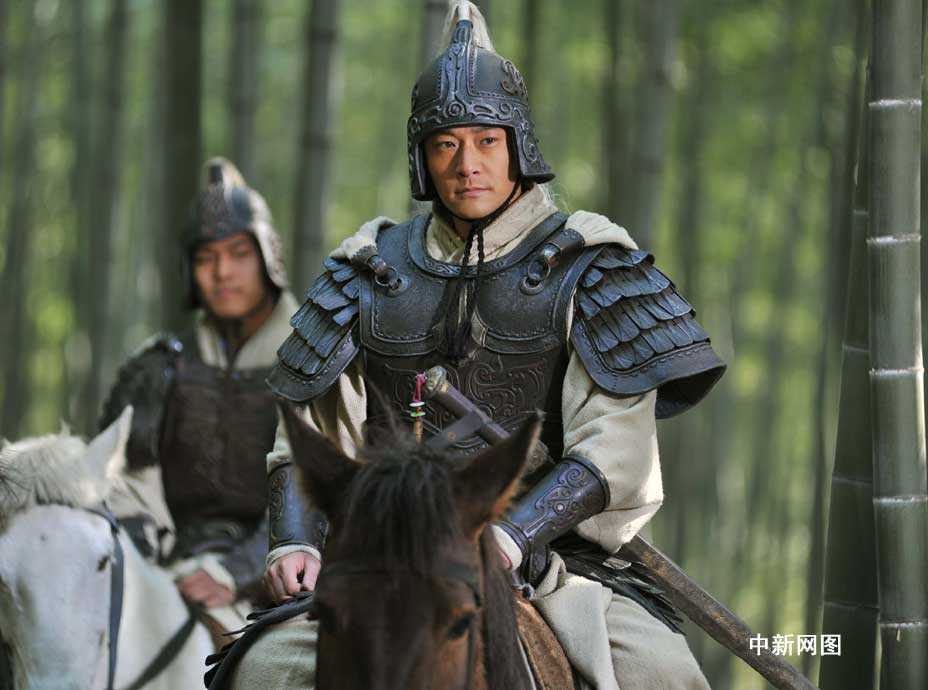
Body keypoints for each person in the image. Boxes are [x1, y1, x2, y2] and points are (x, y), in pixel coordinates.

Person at [237, 3, 724, 688]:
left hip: (552, 567)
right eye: (446, 145)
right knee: (259, 672)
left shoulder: (588, 265)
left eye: (487, 141)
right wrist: (293, 541)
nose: (467, 165)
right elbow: (309, 439)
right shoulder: (366, 271)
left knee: (665, 675)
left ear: (517, 145)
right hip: (381, 567)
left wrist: (510, 534)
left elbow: (614, 450)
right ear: (422, 158)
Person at [99, 158, 300, 619]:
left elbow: (323, 491)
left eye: (238, 254)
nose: (222, 272)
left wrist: (233, 571)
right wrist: (153, 569)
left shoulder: (317, 361)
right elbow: (123, 483)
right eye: (206, 258)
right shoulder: (159, 368)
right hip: (167, 577)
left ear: (267, 256)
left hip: (288, 582)